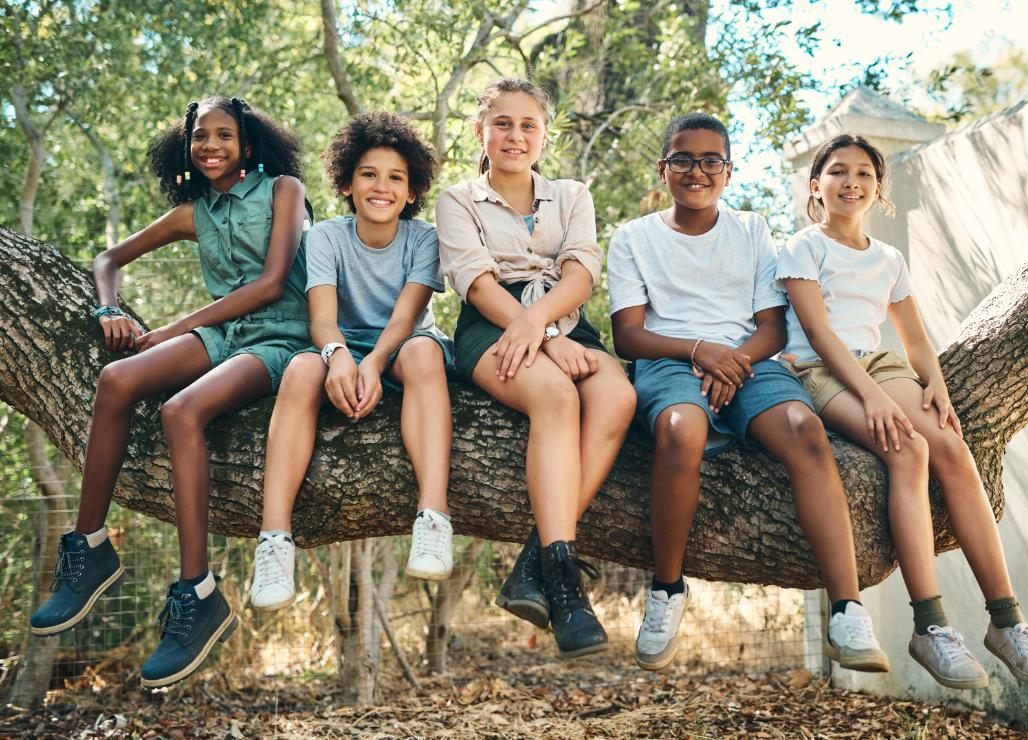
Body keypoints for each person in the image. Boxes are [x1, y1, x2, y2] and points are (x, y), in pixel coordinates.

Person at [30, 97, 312, 689]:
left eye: (224, 135)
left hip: (281, 338)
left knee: (181, 410)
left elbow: (269, 284)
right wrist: (109, 306)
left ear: (248, 144)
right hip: (219, 336)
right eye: (200, 137)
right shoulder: (194, 213)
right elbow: (107, 258)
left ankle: (198, 593)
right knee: (117, 379)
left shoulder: (283, 190)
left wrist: (168, 329)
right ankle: (89, 548)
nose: (211, 146)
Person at [778, 133, 1028, 689]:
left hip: (881, 366)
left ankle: (1007, 621)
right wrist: (873, 397)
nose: (850, 181)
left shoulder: (888, 258)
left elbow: (915, 338)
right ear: (816, 185)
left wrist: (938, 386)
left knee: (952, 447)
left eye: (863, 172)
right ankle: (930, 626)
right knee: (909, 451)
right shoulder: (802, 247)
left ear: (878, 188)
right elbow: (817, 332)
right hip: (820, 370)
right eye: (837, 171)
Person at [609, 113, 886, 672]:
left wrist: (729, 360)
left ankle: (847, 609)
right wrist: (697, 352)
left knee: (806, 431)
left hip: (750, 363)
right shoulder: (634, 237)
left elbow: (772, 327)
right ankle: (667, 590)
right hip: (670, 362)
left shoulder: (753, 231)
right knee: (680, 430)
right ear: (664, 169)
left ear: (729, 172)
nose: (697, 171)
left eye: (712, 161)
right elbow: (630, 334)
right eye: (684, 159)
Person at [436, 77, 636, 659]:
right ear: (481, 132)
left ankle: (535, 564)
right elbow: (476, 282)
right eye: (502, 123)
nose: (515, 135)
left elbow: (580, 273)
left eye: (528, 125)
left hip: (566, 318)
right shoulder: (459, 200)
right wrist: (543, 337)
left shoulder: (572, 195)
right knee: (556, 396)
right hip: (492, 324)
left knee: (617, 396)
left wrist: (551, 327)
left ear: (545, 136)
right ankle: (566, 583)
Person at [251, 111, 454, 612]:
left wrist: (375, 364)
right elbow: (321, 319)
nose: (381, 186)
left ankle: (433, 517)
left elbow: (407, 318)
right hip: (342, 341)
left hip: (404, 345)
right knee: (300, 370)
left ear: (411, 192)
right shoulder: (324, 237)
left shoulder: (423, 238)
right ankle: (274, 541)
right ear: (346, 182)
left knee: (426, 353)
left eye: (395, 178)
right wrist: (339, 356)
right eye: (368, 174)